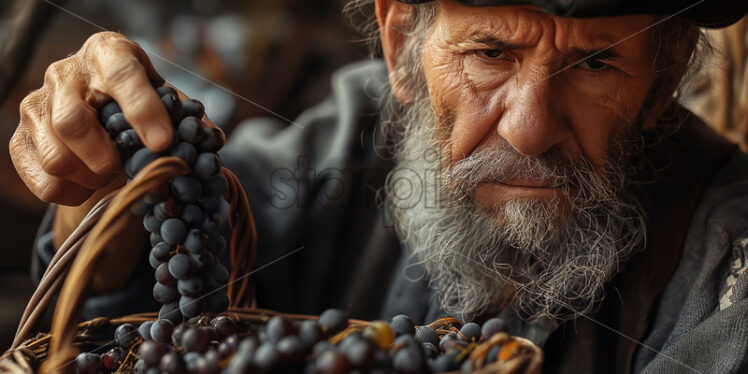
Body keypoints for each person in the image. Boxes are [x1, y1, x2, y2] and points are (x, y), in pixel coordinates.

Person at [10, 0, 748, 372]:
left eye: (594, 66)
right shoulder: (357, 132)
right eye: (490, 53)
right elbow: (152, 288)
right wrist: (95, 177)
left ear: (662, 81)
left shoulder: (724, 266)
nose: (529, 129)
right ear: (401, 45)